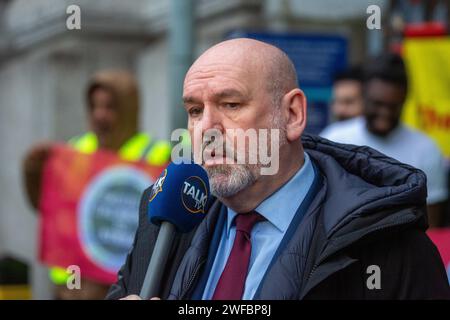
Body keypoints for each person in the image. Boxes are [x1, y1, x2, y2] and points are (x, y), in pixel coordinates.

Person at [109, 39, 450, 300]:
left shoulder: (388, 246)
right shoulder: (165, 220)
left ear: (292, 115)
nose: (206, 129)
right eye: (195, 110)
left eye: (231, 105)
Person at [22, 70, 171, 299]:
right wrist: (34, 173)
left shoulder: (156, 156)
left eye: (109, 107)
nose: (99, 114)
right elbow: (52, 211)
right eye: (94, 106)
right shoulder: (76, 150)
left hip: (124, 289)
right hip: (71, 288)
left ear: (128, 109)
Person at [320, 53, 448, 228]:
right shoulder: (334, 140)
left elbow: (432, 226)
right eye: (377, 104)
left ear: (404, 100)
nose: (385, 114)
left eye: (393, 106)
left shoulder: (426, 148)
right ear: (363, 96)